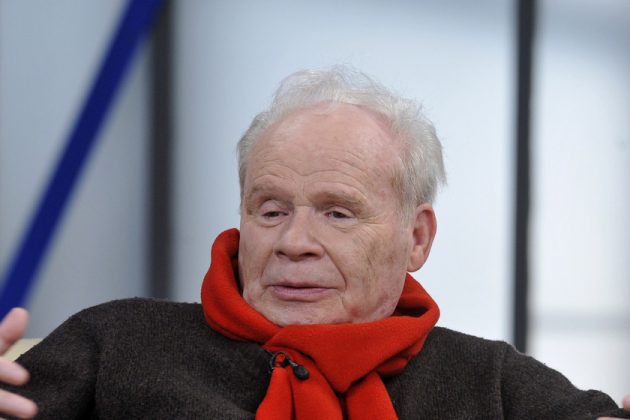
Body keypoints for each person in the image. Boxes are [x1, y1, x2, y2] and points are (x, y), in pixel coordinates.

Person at [0, 67, 628, 419]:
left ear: (416, 238)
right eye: (271, 211)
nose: (294, 241)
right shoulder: (116, 340)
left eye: (338, 213)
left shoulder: (493, 381)